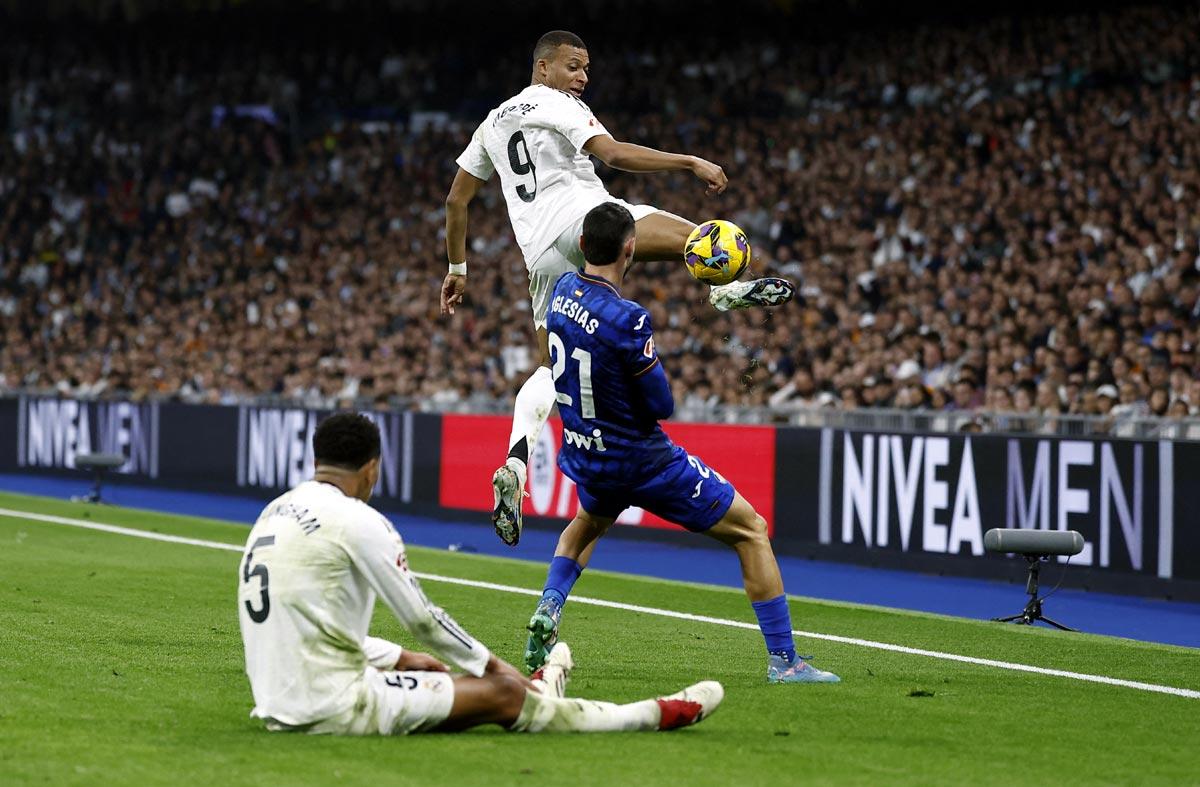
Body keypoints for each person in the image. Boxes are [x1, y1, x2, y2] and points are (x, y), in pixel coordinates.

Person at [440, 29, 795, 546]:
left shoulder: (490, 125)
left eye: (585, 69)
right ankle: (721, 292)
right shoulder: (551, 102)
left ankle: (516, 460)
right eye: (573, 66)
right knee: (698, 236)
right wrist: (688, 161)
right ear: (543, 69)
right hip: (587, 215)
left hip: (540, 254)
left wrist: (458, 268)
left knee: (550, 367)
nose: (581, 77)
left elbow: (456, 201)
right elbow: (612, 154)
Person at [237, 412, 723, 735]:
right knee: (507, 696)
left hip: (280, 694)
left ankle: (547, 679)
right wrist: (490, 665)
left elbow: (301, 614)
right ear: (371, 468)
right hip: (332, 706)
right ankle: (649, 714)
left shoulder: (276, 510)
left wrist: (400, 657)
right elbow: (424, 619)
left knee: (436, 669)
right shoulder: (360, 522)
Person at [527, 202, 840, 685]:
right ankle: (786, 662)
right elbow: (661, 403)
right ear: (630, 248)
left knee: (586, 524)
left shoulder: (562, 290)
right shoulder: (628, 318)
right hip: (642, 458)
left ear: (583, 246)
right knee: (751, 530)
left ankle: (548, 608)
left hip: (588, 453)